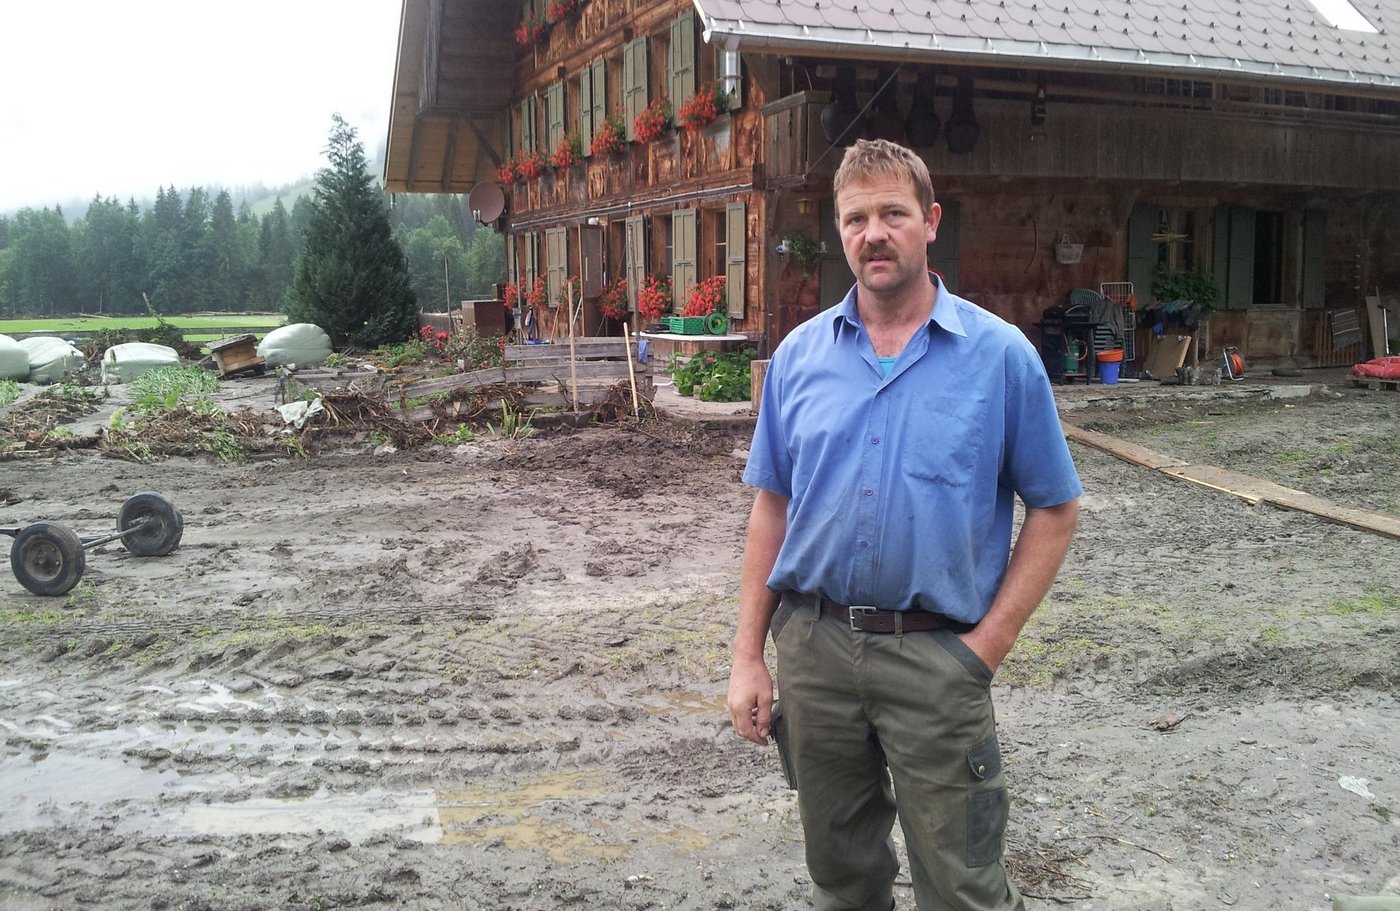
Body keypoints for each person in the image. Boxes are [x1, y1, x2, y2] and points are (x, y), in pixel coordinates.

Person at [728, 138, 1082, 911]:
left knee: (962, 885)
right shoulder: (798, 359)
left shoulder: (999, 358)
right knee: (842, 876)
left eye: (892, 213)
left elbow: (1056, 508)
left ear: (930, 221)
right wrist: (749, 655)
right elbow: (772, 508)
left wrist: (983, 649)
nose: (873, 233)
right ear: (839, 231)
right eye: (856, 218)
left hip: (937, 659)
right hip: (815, 655)